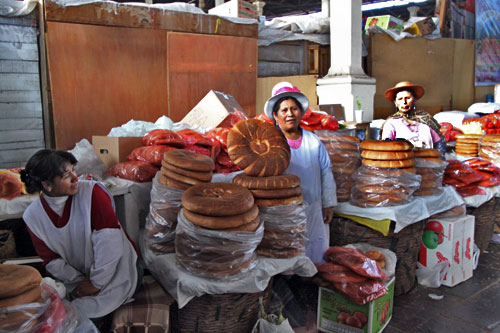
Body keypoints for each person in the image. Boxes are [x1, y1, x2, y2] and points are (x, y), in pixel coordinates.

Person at [20, 149, 140, 320]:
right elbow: (51, 260)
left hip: (118, 269)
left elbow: (109, 244)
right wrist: (80, 283)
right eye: (65, 175)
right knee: (61, 314)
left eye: (73, 170)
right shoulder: (33, 216)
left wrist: (96, 283)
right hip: (78, 278)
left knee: (84, 314)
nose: (76, 177)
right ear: (47, 185)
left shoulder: (92, 193)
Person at [264, 82, 336, 263]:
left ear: (300, 112)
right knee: (287, 250)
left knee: (314, 248)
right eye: (284, 110)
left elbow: (326, 172)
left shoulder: (314, 141)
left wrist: (328, 204)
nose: (290, 114)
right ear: (275, 115)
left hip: (313, 207)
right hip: (284, 209)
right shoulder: (270, 144)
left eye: (294, 109)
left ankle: (311, 282)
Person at [381, 81, 446, 155]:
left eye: (407, 98)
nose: (404, 102)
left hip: (428, 163)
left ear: (415, 99)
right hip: (403, 163)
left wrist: (439, 161)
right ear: (395, 102)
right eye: (400, 99)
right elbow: (386, 147)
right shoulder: (391, 123)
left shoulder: (425, 120)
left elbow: (440, 144)